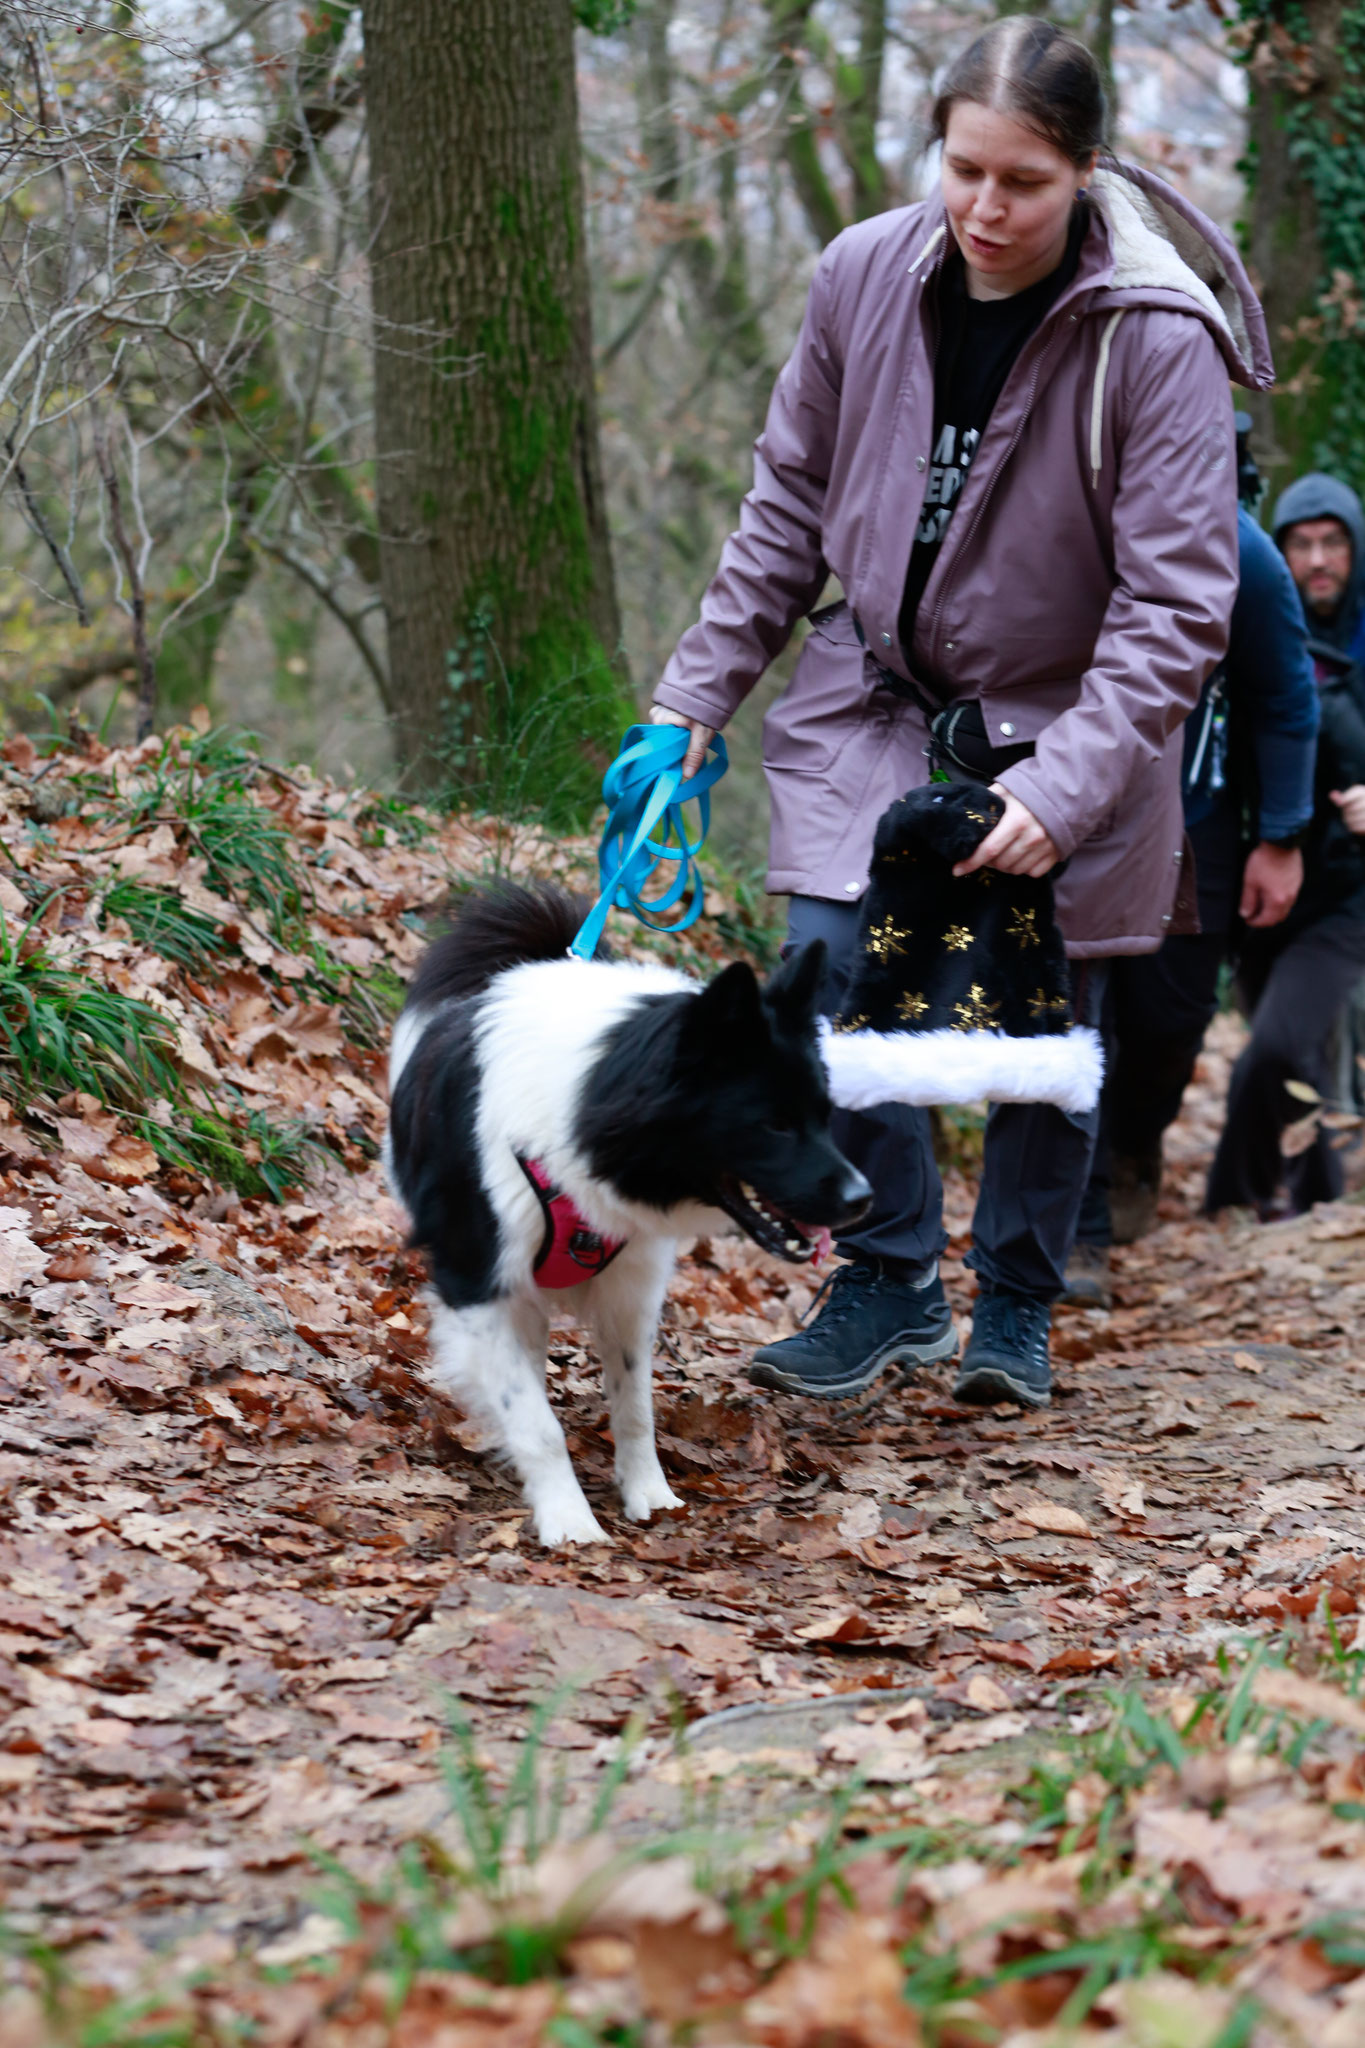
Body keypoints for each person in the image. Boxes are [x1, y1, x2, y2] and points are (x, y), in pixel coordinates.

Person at [651, 16, 1271, 1410]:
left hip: (1070, 721)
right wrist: (692, 696)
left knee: (1041, 1034)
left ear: (1087, 172)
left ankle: (1019, 1306)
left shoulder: (1156, 335)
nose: (986, 208)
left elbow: (1178, 603)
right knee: (831, 967)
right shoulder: (862, 275)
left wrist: (1061, 791)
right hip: (877, 702)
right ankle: (889, 1279)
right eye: (964, 169)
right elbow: (786, 505)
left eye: (1024, 182)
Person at [1065, 436, 1318, 1302]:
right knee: (1074, 1013)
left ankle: (1136, 1140)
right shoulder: (1054, 522)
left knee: (1166, 1019)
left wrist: (1279, 836)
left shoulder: (1241, 550)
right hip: (1064, 813)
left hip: (1195, 820)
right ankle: (1078, 1224)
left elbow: (1284, 697)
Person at [1202, 474, 1365, 1217]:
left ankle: (1235, 1203)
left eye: (1333, 542)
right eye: (1300, 544)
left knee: (1275, 1050)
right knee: (1289, 1057)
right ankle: (1306, 1203)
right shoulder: (1250, 635)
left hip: (1344, 898)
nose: (1318, 559)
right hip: (1258, 892)